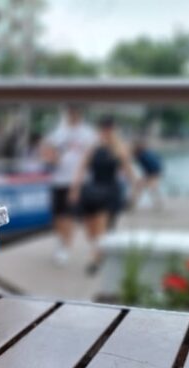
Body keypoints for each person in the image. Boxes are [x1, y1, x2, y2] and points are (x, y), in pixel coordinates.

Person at [69, 115, 136, 275]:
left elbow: (128, 171)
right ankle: (100, 251)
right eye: (104, 129)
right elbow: (82, 168)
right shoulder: (93, 147)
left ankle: (95, 259)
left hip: (110, 191)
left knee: (101, 227)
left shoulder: (120, 148)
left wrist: (134, 190)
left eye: (108, 129)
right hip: (92, 189)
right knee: (89, 229)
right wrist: (75, 189)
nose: (106, 132)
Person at [40, 105, 96, 266]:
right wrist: (50, 157)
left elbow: (88, 160)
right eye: (70, 111)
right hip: (57, 179)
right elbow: (46, 151)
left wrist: (77, 184)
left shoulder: (87, 133)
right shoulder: (59, 132)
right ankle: (60, 241)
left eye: (75, 111)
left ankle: (66, 247)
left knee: (69, 216)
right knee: (58, 216)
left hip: (76, 181)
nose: (72, 114)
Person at [131, 136, 164, 210]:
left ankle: (132, 204)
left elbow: (149, 166)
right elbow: (159, 158)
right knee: (148, 187)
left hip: (153, 172)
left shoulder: (141, 156)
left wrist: (147, 175)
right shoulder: (147, 152)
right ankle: (158, 203)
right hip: (156, 171)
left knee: (143, 187)